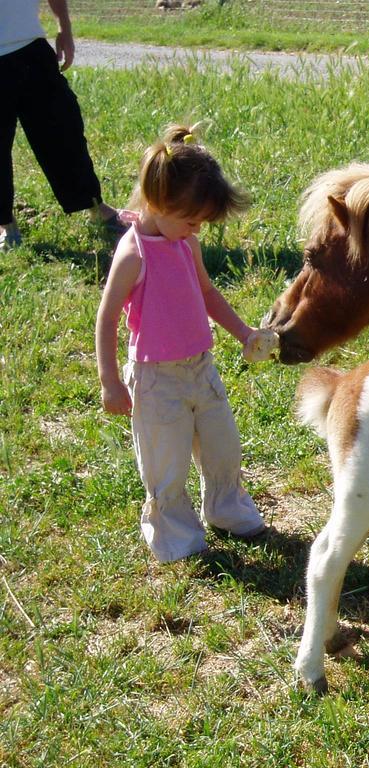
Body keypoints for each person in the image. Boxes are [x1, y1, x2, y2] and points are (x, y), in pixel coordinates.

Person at [95, 124, 270, 562]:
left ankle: (227, 507)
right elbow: (108, 316)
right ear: (157, 203)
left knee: (223, 446)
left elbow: (208, 294)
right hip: (157, 382)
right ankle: (174, 532)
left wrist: (245, 332)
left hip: (200, 368)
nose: (197, 230)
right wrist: (111, 382)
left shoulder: (184, 243)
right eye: (192, 220)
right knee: (165, 464)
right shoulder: (133, 254)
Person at [1, 0, 127, 250]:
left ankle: (94, 207)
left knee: (62, 131)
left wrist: (64, 28)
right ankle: (5, 224)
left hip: (30, 48)